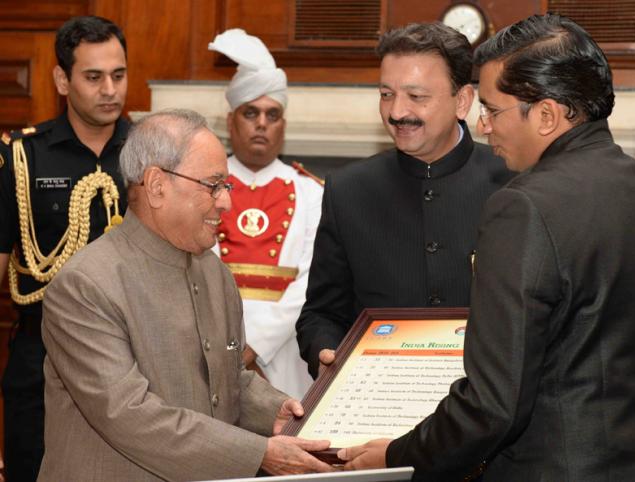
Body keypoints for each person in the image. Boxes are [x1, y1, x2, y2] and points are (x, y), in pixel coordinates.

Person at [338, 14, 635, 481]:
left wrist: (400, 456)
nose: (483, 126)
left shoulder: (522, 207)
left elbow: (492, 404)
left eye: (493, 109)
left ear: (546, 115)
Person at [37, 109, 333, 481]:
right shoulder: (84, 287)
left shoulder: (214, 274)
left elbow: (230, 378)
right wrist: (260, 454)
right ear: (157, 185)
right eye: (213, 185)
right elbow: (129, 414)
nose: (226, 202)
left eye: (226, 187)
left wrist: (275, 411)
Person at [296, 22, 512, 378]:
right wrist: (327, 354)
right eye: (385, 94)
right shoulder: (348, 190)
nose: (397, 112)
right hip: (381, 400)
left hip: (491, 408)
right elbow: (322, 313)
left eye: (417, 96)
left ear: (462, 101)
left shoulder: (513, 183)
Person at [0, 16, 129, 481]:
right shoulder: (22, 156)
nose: (109, 89)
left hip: (134, 358)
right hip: (43, 353)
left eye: (118, 74)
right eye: (93, 77)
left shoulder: (153, 152)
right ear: (62, 79)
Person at [208, 29, 323, 399]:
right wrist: (231, 343)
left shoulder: (310, 192)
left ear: (283, 126)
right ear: (230, 122)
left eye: (272, 115)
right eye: (250, 113)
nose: (261, 123)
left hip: (285, 349)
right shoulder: (202, 186)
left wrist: (255, 344)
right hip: (211, 342)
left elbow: (312, 279)